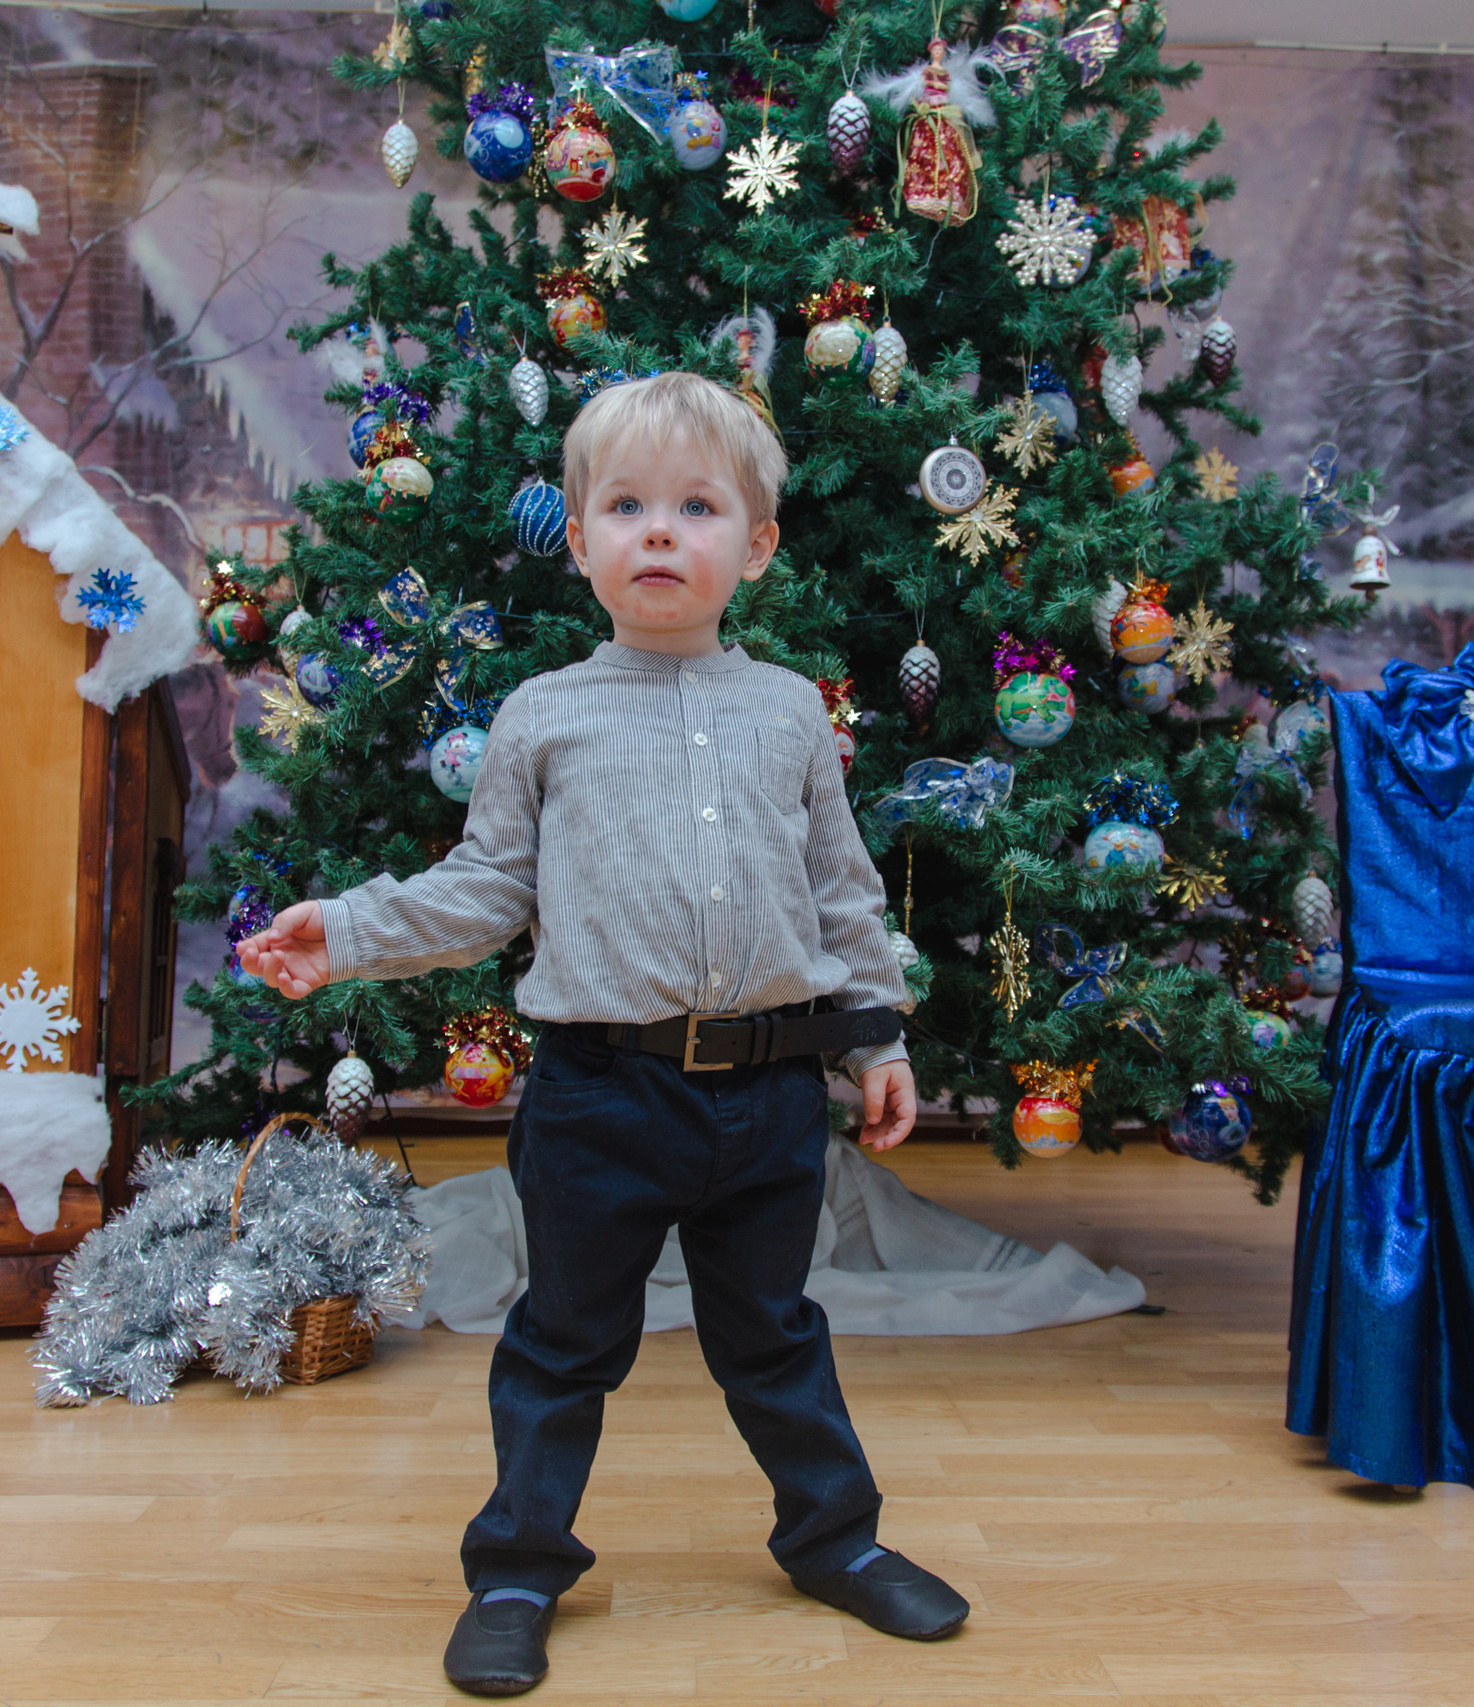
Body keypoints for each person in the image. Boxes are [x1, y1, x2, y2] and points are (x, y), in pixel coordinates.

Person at [238, 370, 970, 1696]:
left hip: (769, 1100)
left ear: (756, 545)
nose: (659, 531)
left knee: (775, 1333)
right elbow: (482, 890)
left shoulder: (791, 713)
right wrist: (342, 932)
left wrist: (877, 1044)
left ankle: (838, 1540)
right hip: (598, 1102)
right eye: (626, 507)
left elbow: (842, 895)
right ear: (578, 544)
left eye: (697, 507)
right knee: (565, 1341)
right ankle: (518, 1570)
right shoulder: (544, 715)